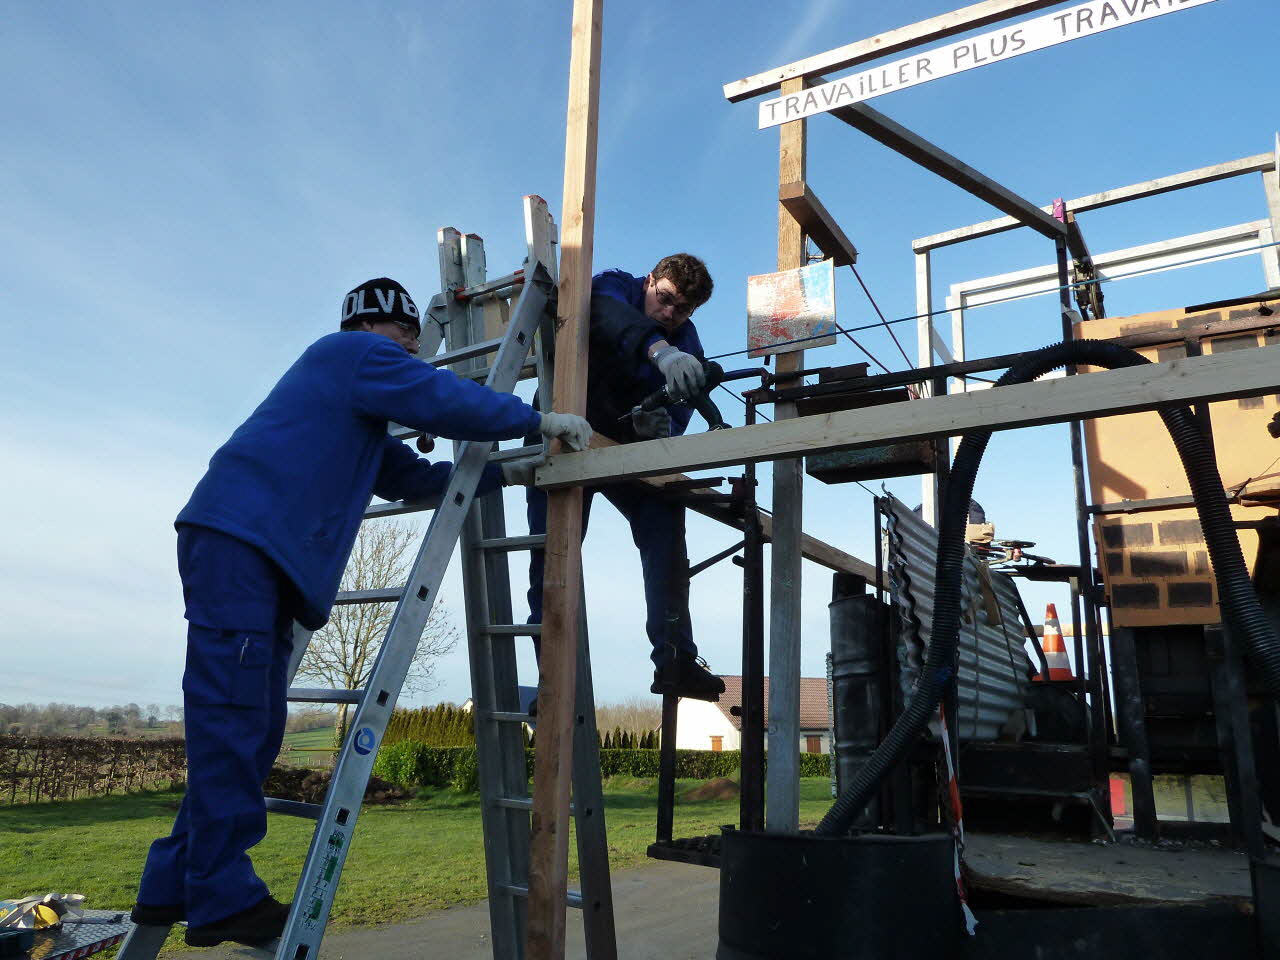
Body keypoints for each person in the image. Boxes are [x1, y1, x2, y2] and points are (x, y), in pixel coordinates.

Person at [131, 277, 591, 947]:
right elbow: (439, 397)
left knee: (250, 727)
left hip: (255, 549)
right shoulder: (350, 357)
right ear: (382, 327)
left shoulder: (356, 405)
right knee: (232, 718)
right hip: (242, 543)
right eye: (407, 336)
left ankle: (173, 882)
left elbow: (414, 479)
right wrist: (534, 420)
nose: (414, 347)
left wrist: (510, 471)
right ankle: (221, 896)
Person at [526, 253, 726, 702]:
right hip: (568, 429)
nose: (670, 314)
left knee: (666, 521)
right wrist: (660, 351)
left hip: (623, 451)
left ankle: (675, 658)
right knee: (553, 551)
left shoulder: (689, 344)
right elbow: (604, 314)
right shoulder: (614, 286)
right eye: (666, 299)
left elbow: (678, 416)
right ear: (650, 280)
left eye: (682, 310)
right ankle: (552, 675)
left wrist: (658, 430)